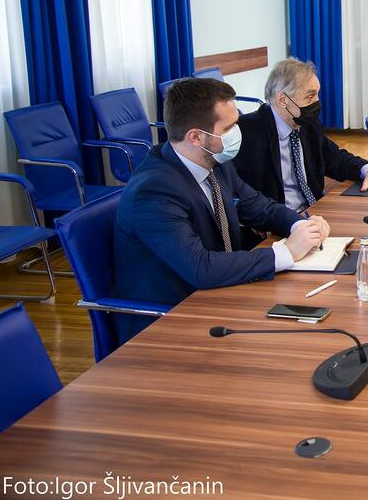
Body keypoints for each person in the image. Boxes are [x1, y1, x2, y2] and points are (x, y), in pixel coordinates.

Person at [112, 78, 330, 344]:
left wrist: (300, 225)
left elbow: (260, 207)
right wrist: (287, 252)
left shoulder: (215, 161)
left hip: (220, 293)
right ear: (196, 137)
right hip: (170, 322)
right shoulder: (153, 192)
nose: (238, 132)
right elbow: (200, 268)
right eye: (229, 127)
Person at [233, 59, 368, 239]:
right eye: (310, 96)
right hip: (276, 228)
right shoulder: (245, 133)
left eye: (317, 95)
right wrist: (253, 218)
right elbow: (232, 190)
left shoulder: (307, 125)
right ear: (283, 100)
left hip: (316, 215)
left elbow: (334, 157)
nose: (317, 102)